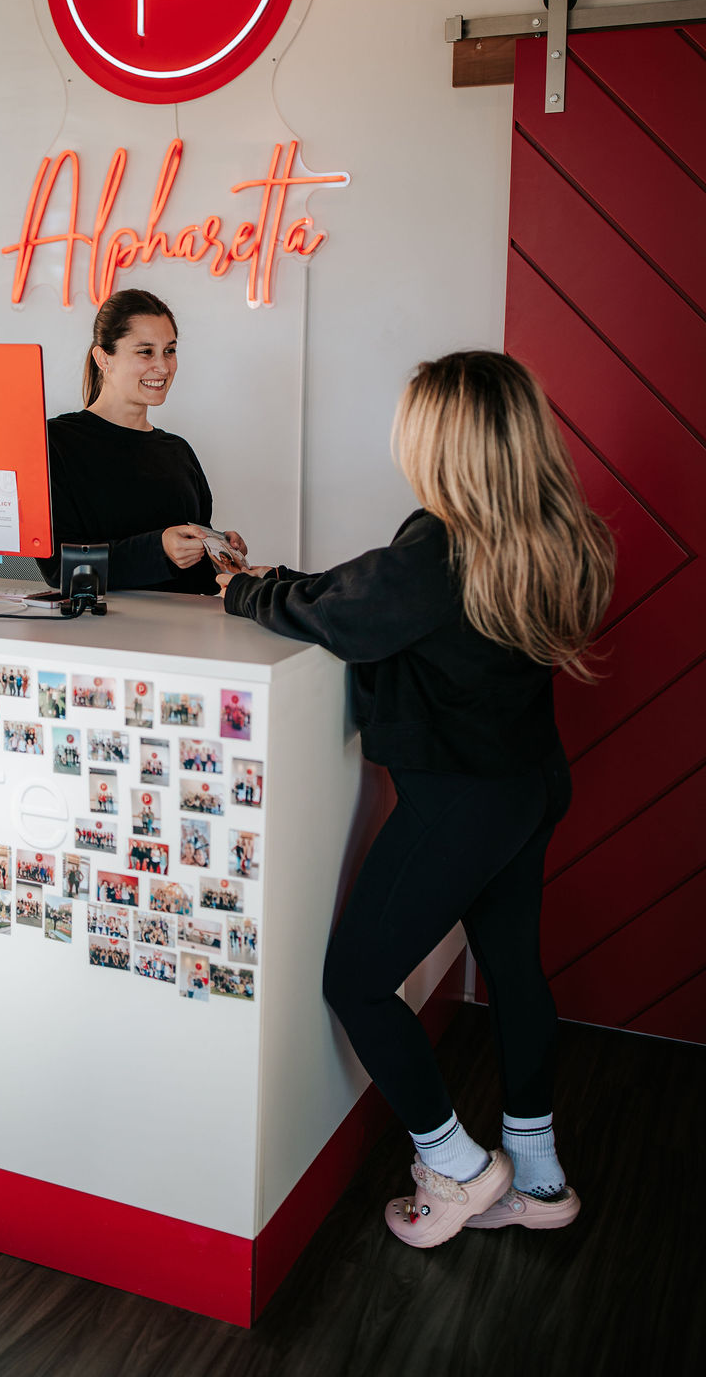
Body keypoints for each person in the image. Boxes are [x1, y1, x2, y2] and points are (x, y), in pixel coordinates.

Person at [218, 351, 615, 1249]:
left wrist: (245, 590)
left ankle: (458, 1170)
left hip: (460, 805)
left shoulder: (439, 549)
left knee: (356, 982)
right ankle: (539, 1177)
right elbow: (368, 595)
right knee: (514, 971)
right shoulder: (551, 529)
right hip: (529, 785)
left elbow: (345, 612)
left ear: (441, 442)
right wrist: (290, 581)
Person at [36, 288, 245, 594]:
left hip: (187, 624)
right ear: (103, 358)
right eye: (146, 351)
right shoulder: (56, 444)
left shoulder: (178, 451)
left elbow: (192, 578)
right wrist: (160, 548)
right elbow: (61, 569)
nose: (163, 366)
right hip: (100, 625)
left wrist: (219, 554)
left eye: (169, 351)